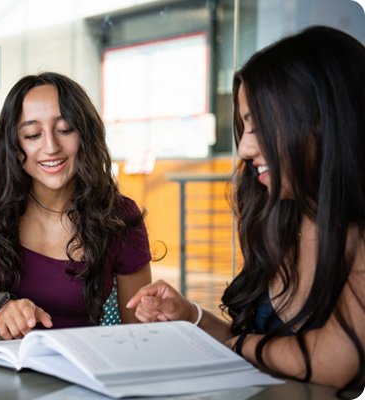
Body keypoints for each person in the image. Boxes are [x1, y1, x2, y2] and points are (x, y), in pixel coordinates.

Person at [127, 26, 365, 391]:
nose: (245, 149)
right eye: (245, 127)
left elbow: (335, 361)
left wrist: (243, 344)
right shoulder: (282, 221)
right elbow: (262, 346)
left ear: (324, 120)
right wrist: (191, 317)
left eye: (260, 126)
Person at [0, 72, 154, 340]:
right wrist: (1, 310)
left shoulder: (119, 216)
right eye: (32, 134)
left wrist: (164, 314)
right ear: (15, 144)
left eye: (65, 129)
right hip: (5, 363)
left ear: (85, 135)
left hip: (83, 367)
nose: (51, 147)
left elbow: (140, 330)